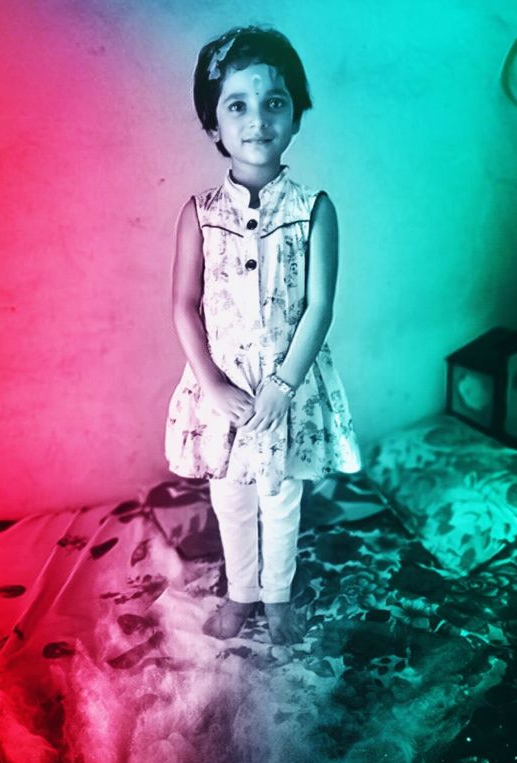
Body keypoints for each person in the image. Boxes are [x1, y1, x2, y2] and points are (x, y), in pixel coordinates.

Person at [165, 26, 361, 645]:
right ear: (213, 123)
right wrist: (213, 385)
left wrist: (283, 386)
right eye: (237, 105)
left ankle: (277, 596)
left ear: (296, 115)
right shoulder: (199, 213)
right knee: (231, 497)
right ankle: (240, 591)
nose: (257, 119)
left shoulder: (314, 209)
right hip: (225, 388)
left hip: (287, 387)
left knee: (281, 497)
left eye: (275, 102)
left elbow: (320, 307)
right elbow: (183, 306)